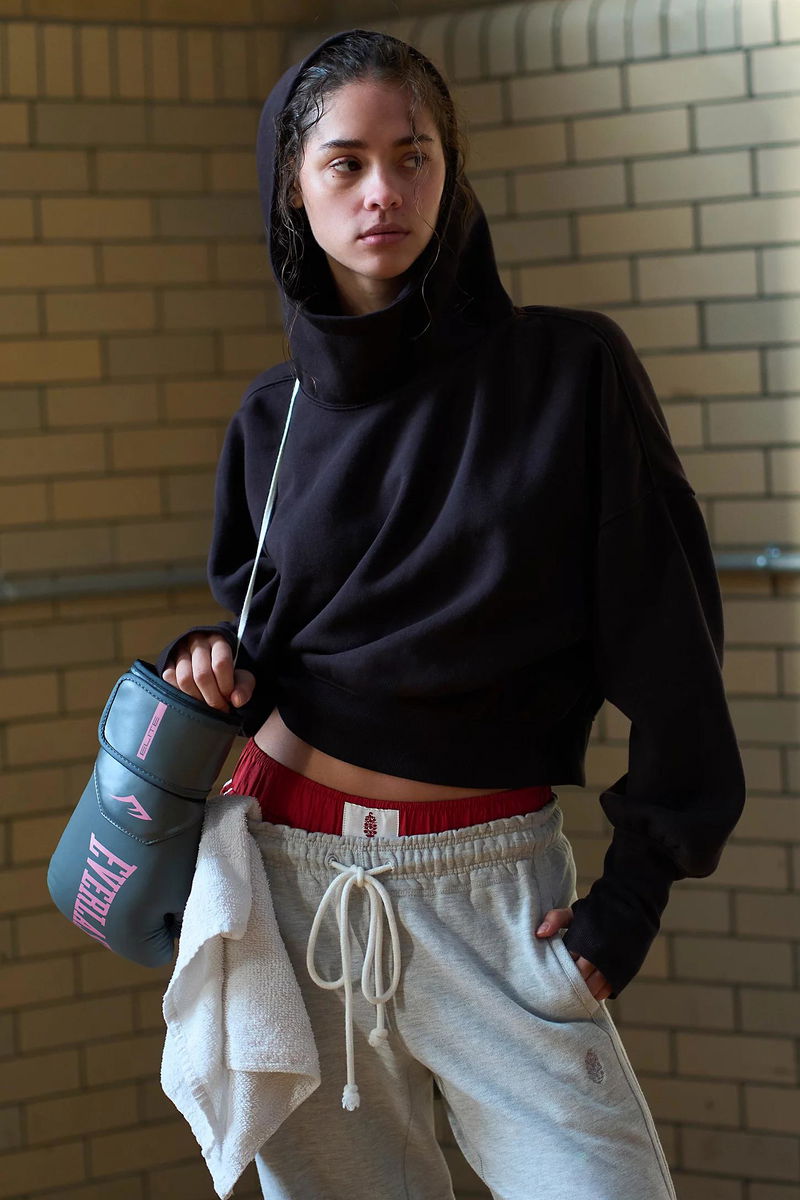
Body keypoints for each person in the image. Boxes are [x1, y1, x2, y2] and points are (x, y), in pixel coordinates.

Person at [155, 27, 745, 1200]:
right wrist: (207, 660)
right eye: (346, 162)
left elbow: (672, 652)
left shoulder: (567, 371)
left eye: (412, 156)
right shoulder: (270, 417)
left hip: (492, 891)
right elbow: (271, 642)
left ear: (448, 171)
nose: (383, 189)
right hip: (288, 879)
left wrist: (627, 903)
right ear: (293, 187)